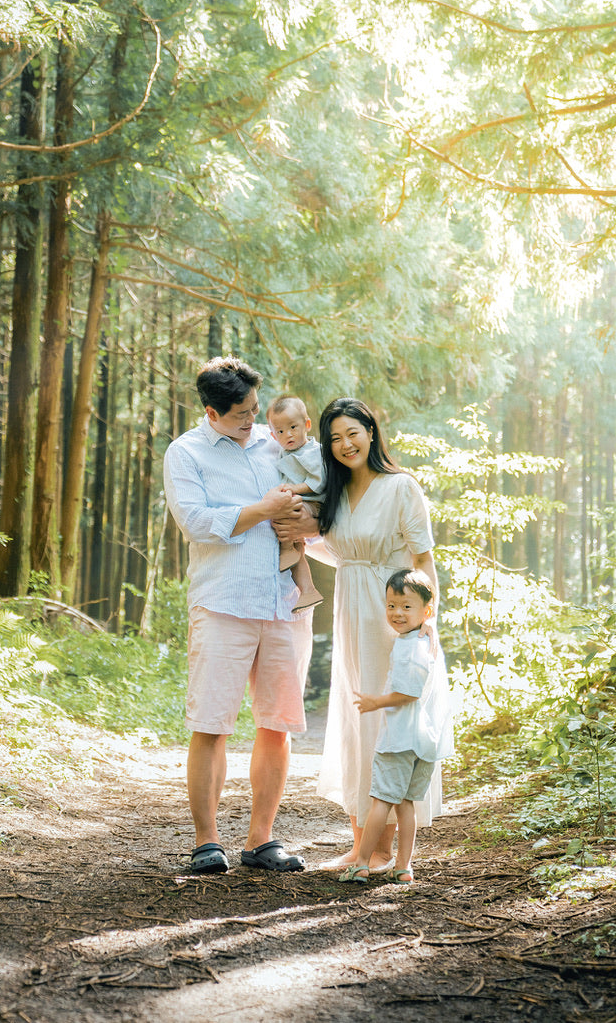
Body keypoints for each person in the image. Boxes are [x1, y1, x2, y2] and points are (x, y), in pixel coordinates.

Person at [277, 397, 442, 871]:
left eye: (353, 432)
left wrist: (428, 622)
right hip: (351, 612)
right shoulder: (336, 493)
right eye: (334, 438)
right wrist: (300, 537)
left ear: (371, 432)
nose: (345, 444)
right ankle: (358, 844)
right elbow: (345, 553)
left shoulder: (401, 487)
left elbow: (423, 558)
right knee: (354, 721)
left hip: (393, 615)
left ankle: (383, 849)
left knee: (385, 724)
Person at [163, 356, 312, 875]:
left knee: (276, 725)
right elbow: (198, 523)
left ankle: (261, 841)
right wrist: (263, 511)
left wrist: (301, 520)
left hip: (281, 605)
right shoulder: (187, 453)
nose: (255, 421)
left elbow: (314, 505)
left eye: (255, 409)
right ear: (212, 411)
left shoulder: (279, 443)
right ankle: (207, 842)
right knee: (211, 723)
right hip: (222, 603)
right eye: (242, 414)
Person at [339, 568, 454, 885]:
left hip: (400, 739)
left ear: (425, 611)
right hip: (425, 741)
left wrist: (377, 702)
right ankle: (403, 866)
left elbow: (408, 693)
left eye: (406, 606)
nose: (397, 613)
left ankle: (361, 862)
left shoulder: (409, 647)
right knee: (406, 804)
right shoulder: (427, 640)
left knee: (381, 801)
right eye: (391, 605)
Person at [266, 394, 324, 612]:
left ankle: (288, 548)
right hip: (300, 503)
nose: (287, 434)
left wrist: (294, 489)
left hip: (313, 503)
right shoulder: (286, 451)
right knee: (297, 546)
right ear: (273, 434)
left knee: (284, 512)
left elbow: (319, 481)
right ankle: (308, 591)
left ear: (306, 425)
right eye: (280, 431)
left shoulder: (312, 452)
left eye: (293, 427)